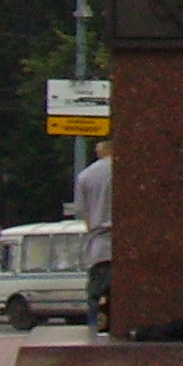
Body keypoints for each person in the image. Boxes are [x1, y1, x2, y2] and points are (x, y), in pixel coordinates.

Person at [76, 137, 114, 333]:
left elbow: (84, 213)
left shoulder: (85, 176)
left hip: (99, 247)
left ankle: (95, 332)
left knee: (96, 297)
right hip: (125, 246)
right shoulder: (128, 171)